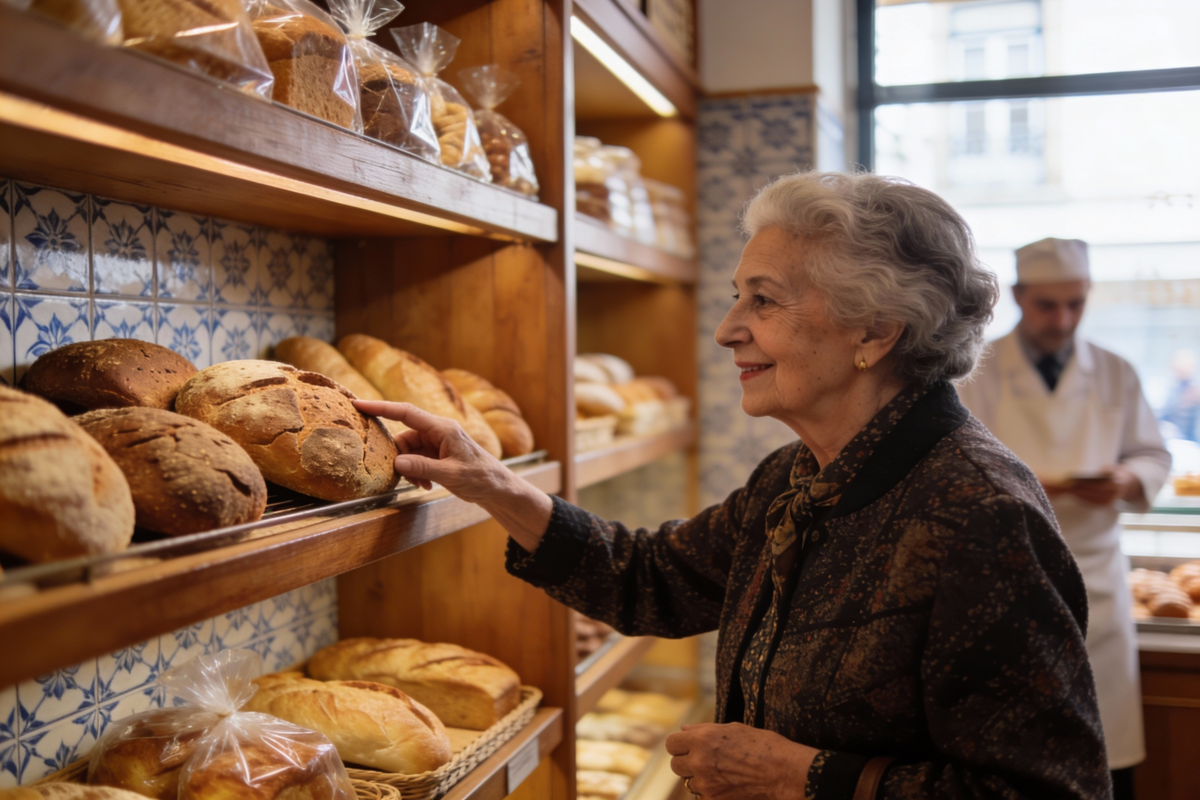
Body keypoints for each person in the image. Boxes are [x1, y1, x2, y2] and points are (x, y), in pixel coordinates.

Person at [356, 173, 1111, 799]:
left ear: (875, 333)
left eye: (763, 299)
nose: (726, 329)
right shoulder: (797, 477)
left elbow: (1050, 792)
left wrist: (807, 776)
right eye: (735, 294)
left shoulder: (978, 513)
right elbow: (656, 578)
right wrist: (493, 484)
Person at [957, 238, 1171, 800]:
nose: (1063, 318)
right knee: (1014, 748)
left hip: (1098, 576)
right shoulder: (977, 370)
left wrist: (1127, 480)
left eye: (1075, 304)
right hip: (1007, 574)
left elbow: (1152, 454)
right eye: (1048, 304)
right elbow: (951, 464)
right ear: (1020, 296)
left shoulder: (1116, 371)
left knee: (1107, 749)